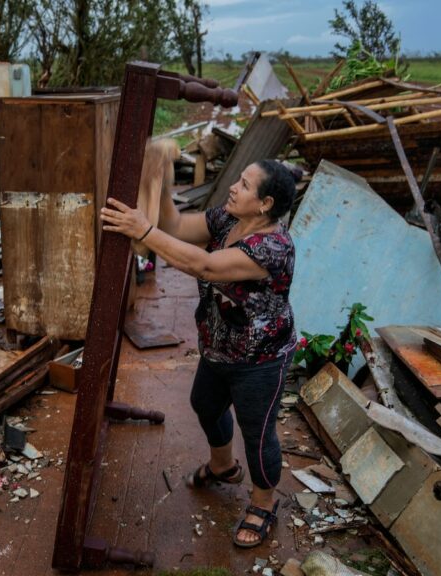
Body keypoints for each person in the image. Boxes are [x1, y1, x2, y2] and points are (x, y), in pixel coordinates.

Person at [100, 159, 298, 549]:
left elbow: (205, 265)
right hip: (218, 347)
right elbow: (175, 227)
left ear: (265, 204)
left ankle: (263, 503)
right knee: (205, 404)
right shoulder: (226, 221)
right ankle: (223, 467)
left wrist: (142, 229)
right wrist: (161, 178)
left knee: (258, 435)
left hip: (261, 358)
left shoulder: (273, 247)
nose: (233, 188)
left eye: (244, 184)